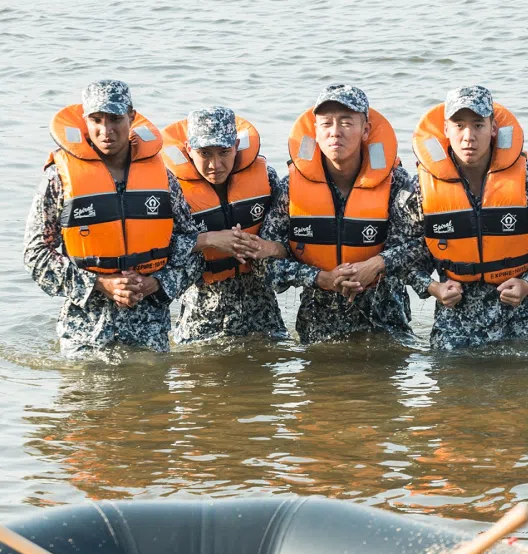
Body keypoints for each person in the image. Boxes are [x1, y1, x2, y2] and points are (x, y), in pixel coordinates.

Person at [23, 80, 203, 357]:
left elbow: (191, 248)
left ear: (131, 116)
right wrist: (99, 284)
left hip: (150, 330)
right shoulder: (58, 178)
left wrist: (158, 283)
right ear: (85, 120)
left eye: (116, 119)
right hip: (84, 331)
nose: (106, 131)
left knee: (154, 399)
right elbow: (35, 255)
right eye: (96, 120)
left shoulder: (162, 177)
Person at [245, 85, 416, 343]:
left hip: (385, 323)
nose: (335, 132)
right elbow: (264, 261)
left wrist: (375, 265)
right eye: (326, 123)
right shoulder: (292, 187)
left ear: (366, 130)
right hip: (318, 326)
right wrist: (320, 278)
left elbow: (417, 246)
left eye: (346, 122)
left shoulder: (395, 182)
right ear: (316, 130)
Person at [397, 85, 528, 349]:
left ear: (493, 128)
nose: (468, 136)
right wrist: (432, 288)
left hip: (519, 320)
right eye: (459, 125)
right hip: (454, 323)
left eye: (478, 126)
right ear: (446, 129)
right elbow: (405, 256)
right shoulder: (419, 191)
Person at [160, 106, 287, 343]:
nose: (215, 164)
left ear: (236, 146)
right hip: (201, 314)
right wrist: (209, 239)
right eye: (205, 153)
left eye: (224, 152)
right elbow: (158, 248)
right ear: (189, 149)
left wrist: (268, 247)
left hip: (262, 311)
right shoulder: (170, 188)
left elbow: (288, 238)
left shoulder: (267, 178)